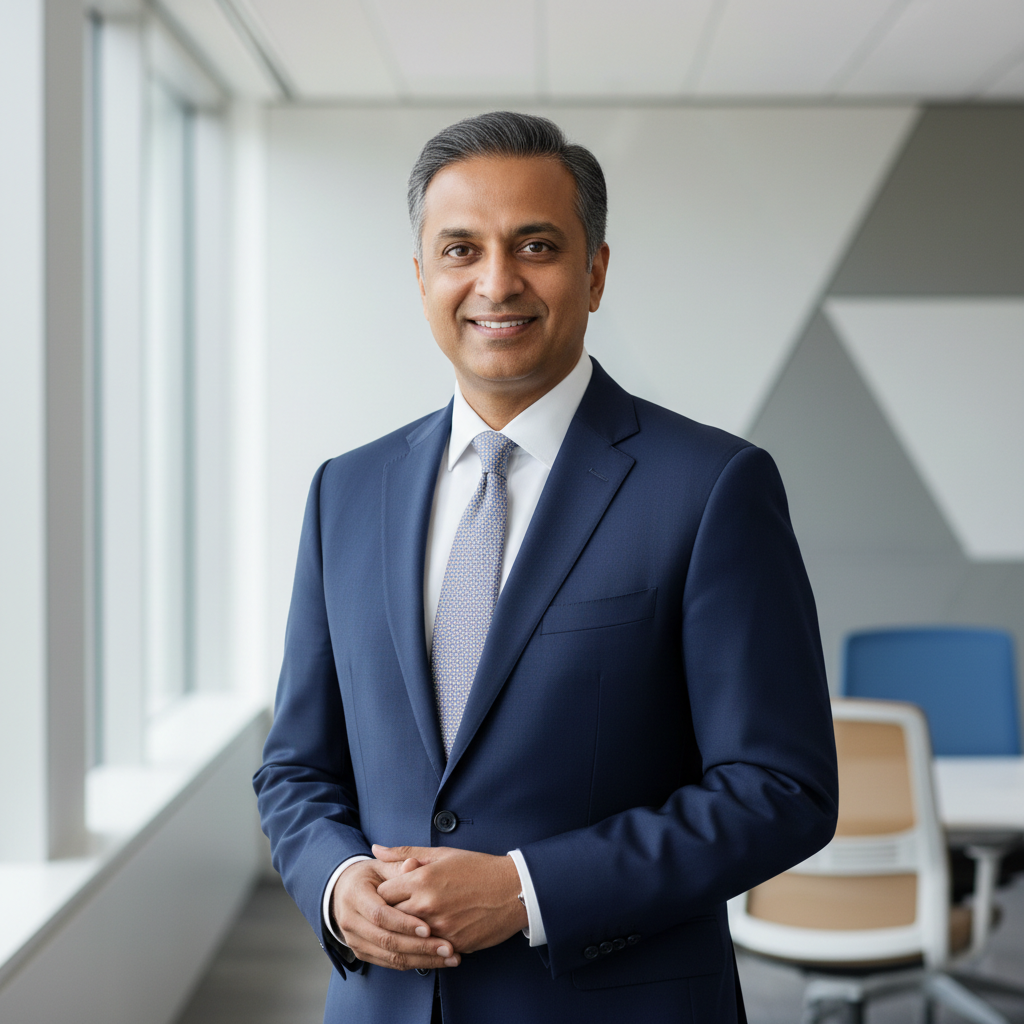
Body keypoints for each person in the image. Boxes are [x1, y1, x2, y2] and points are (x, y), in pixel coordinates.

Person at [254, 111, 838, 1024]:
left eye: (536, 245)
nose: (497, 281)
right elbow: (295, 767)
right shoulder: (345, 494)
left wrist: (528, 891)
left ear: (595, 272)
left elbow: (781, 790)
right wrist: (335, 885)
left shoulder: (714, 487)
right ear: (421, 279)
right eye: (460, 249)